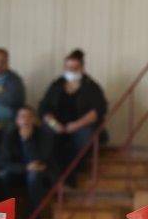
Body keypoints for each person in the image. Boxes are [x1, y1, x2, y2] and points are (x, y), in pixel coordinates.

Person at [39, 48, 107, 178]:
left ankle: (73, 172)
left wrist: (77, 125)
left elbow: (98, 110)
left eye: (75, 68)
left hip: (80, 126)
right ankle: (51, 172)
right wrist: (53, 124)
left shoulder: (91, 86)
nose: (71, 71)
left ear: (82, 68)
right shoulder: (56, 85)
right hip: (58, 125)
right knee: (46, 131)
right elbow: (44, 107)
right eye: (68, 68)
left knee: (85, 135)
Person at [0, 106, 54, 217]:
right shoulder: (10, 135)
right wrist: (24, 168)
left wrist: (27, 141)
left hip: (40, 172)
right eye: (22, 117)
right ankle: (5, 215)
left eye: (29, 117)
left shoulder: (44, 134)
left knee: (34, 176)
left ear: (34, 120)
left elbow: (41, 159)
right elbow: (3, 161)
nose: (26, 120)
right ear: (17, 121)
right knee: (2, 176)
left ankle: (35, 215)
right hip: (18, 171)